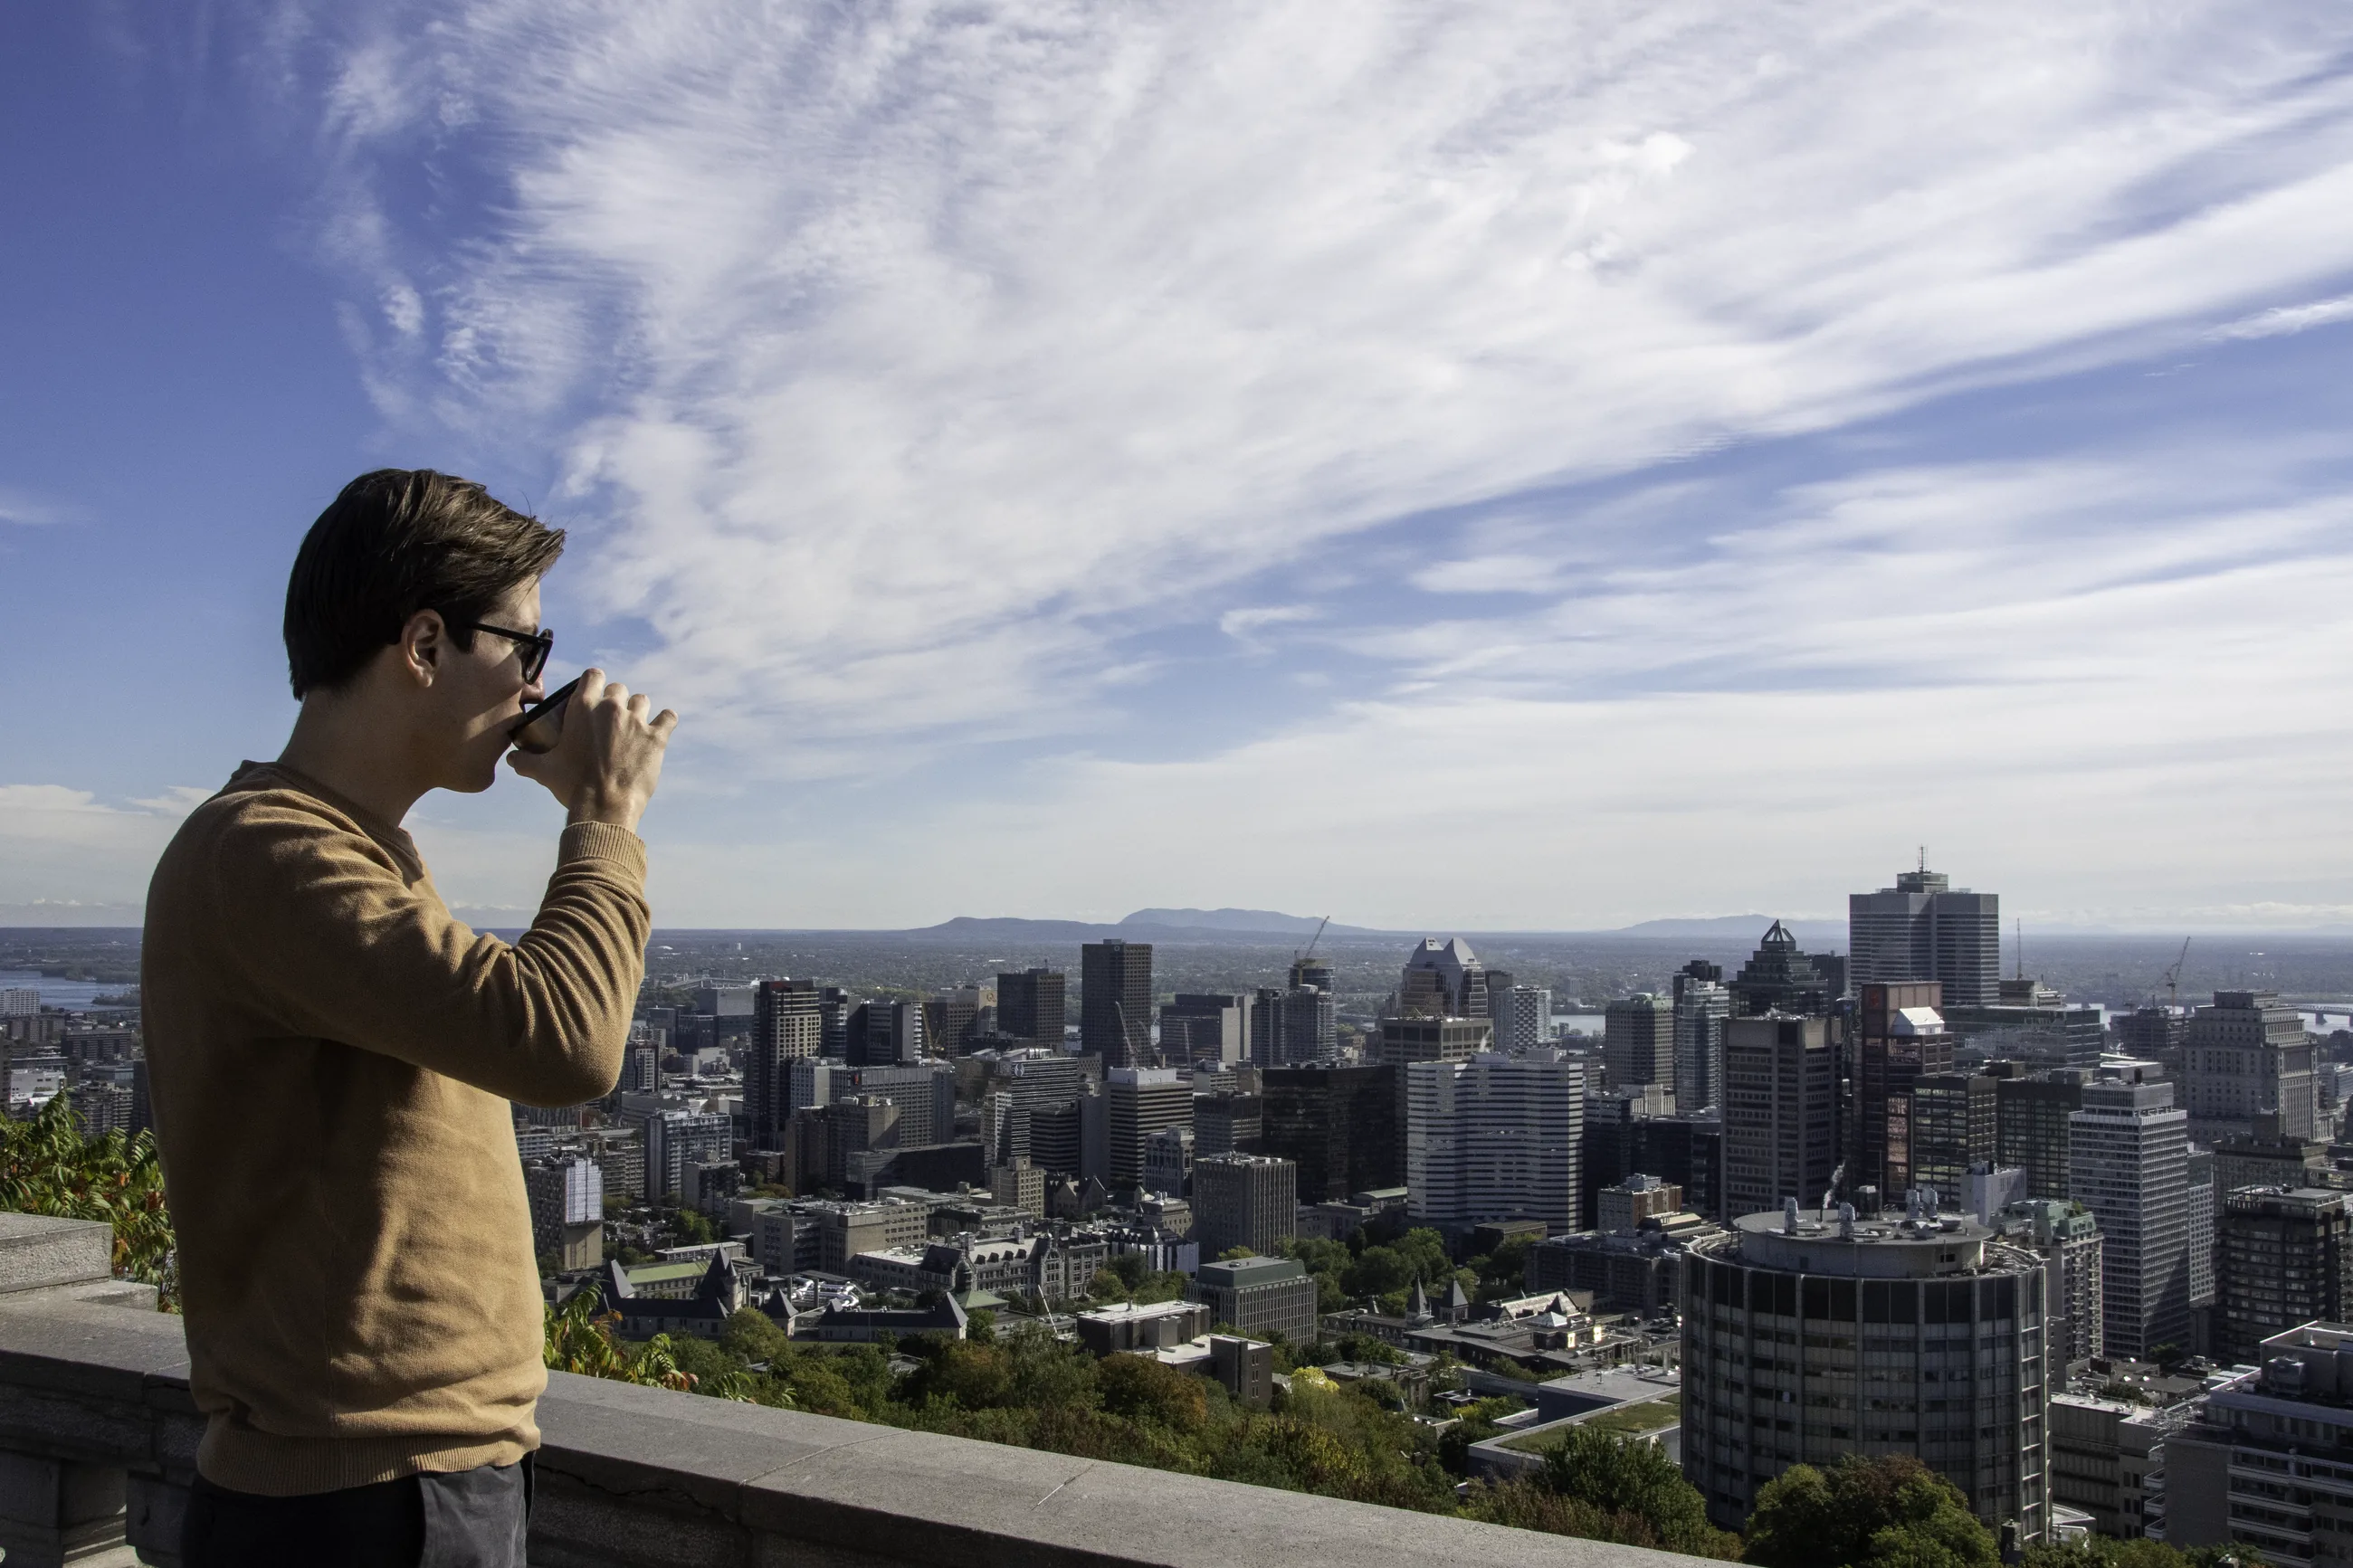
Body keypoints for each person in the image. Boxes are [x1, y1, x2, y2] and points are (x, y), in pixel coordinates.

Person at [141, 469, 677, 1566]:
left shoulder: (342, 850)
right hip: (361, 1499)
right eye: (523, 645)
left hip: (397, 1484)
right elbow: (563, 1037)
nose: (538, 683)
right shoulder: (270, 851)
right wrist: (605, 812)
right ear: (425, 644)